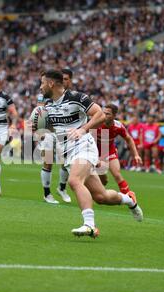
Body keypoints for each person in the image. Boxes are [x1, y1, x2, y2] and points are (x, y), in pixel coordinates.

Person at [39, 70, 143, 239]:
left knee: (74, 181)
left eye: (42, 83)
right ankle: (130, 200)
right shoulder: (48, 104)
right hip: (67, 153)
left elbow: (100, 115)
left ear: (51, 83)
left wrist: (83, 129)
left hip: (83, 146)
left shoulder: (77, 98)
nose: (40, 87)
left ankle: (90, 225)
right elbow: (53, 129)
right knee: (101, 196)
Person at [38, 68, 73, 204]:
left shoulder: (72, 96)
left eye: (66, 79)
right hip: (49, 132)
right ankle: (47, 194)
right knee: (48, 161)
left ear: (70, 80)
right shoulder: (46, 95)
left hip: (65, 133)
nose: (64, 81)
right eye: (62, 79)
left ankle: (62, 188)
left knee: (66, 162)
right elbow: (40, 112)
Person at [96, 104, 142, 193]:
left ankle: (130, 200)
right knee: (103, 181)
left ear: (114, 115)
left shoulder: (118, 126)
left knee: (117, 175)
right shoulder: (96, 123)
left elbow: (129, 139)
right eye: (103, 113)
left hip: (109, 151)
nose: (104, 115)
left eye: (107, 114)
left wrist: (136, 155)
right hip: (95, 152)